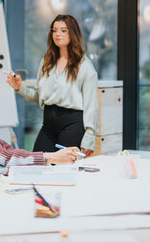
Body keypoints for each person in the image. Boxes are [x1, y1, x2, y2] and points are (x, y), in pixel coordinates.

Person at [7, 14, 98, 156]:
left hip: (72, 123)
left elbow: (91, 106)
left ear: (73, 33)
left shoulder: (85, 67)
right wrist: (20, 88)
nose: (57, 34)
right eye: (54, 30)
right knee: (36, 165)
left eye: (63, 30)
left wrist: (89, 138)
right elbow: (38, 96)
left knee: (63, 170)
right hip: (48, 123)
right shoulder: (47, 62)